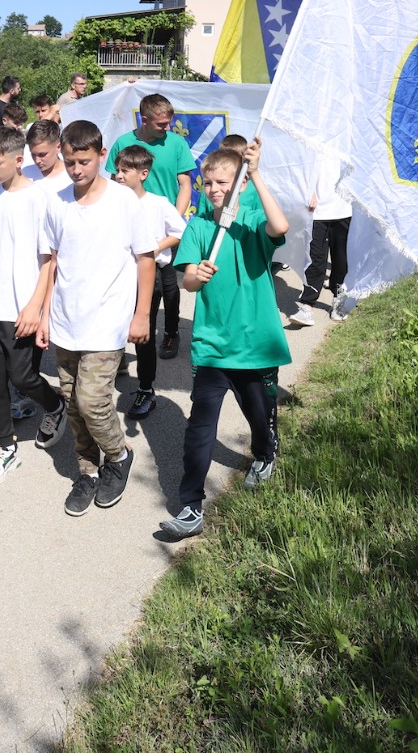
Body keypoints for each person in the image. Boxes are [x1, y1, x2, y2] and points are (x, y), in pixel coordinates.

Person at [159, 139, 292, 540]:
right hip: (212, 345)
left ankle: (265, 454)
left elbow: (280, 227)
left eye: (223, 183)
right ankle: (190, 506)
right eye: (209, 182)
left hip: (252, 345)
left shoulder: (251, 220)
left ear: (238, 186)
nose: (215, 189)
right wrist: (195, 276)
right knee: (201, 425)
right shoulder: (199, 227)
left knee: (258, 414)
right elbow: (188, 283)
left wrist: (255, 175)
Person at [38, 120, 155, 517]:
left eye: (84, 161)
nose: (76, 170)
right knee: (71, 403)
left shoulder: (125, 202)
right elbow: (51, 260)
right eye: (69, 161)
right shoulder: (57, 202)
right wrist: (43, 315)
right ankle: (87, 471)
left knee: (93, 401)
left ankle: (118, 456)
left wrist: (141, 316)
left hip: (107, 323)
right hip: (65, 322)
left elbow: (146, 259)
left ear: (102, 155)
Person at [0, 127, 68, 486]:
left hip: (21, 308)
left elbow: (48, 260)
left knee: (22, 377)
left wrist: (36, 309)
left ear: (18, 160)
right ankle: (5, 447)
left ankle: (56, 406)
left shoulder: (40, 199)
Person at [104, 94, 197, 360]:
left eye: (169, 123)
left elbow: (185, 185)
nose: (167, 128)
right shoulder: (124, 143)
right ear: (144, 120)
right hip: (129, 226)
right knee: (127, 283)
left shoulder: (177, 143)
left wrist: (174, 221)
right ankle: (124, 335)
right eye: (161, 124)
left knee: (168, 285)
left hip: (165, 225)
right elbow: (114, 183)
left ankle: (170, 331)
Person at [113, 145, 186, 419]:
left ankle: (145, 388)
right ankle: (115, 364)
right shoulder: (110, 201)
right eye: (117, 170)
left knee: (143, 332)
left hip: (148, 276)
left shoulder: (158, 203)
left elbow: (179, 231)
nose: (118, 175)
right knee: (115, 324)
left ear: (143, 173)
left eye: (125, 171)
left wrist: (152, 249)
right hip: (117, 276)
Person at [290, 154, 351, 327]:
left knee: (341, 259)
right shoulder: (314, 136)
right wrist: (309, 191)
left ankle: (338, 299)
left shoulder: (348, 138)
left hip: (344, 210)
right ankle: (307, 307)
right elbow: (302, 165)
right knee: (314, 259)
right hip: (316, 212)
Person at [23, 119, 68, 188]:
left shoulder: (71, 177)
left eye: (42, 154)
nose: (37, 160)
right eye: (33, 154)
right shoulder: (25, 174)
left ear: (58, 147)